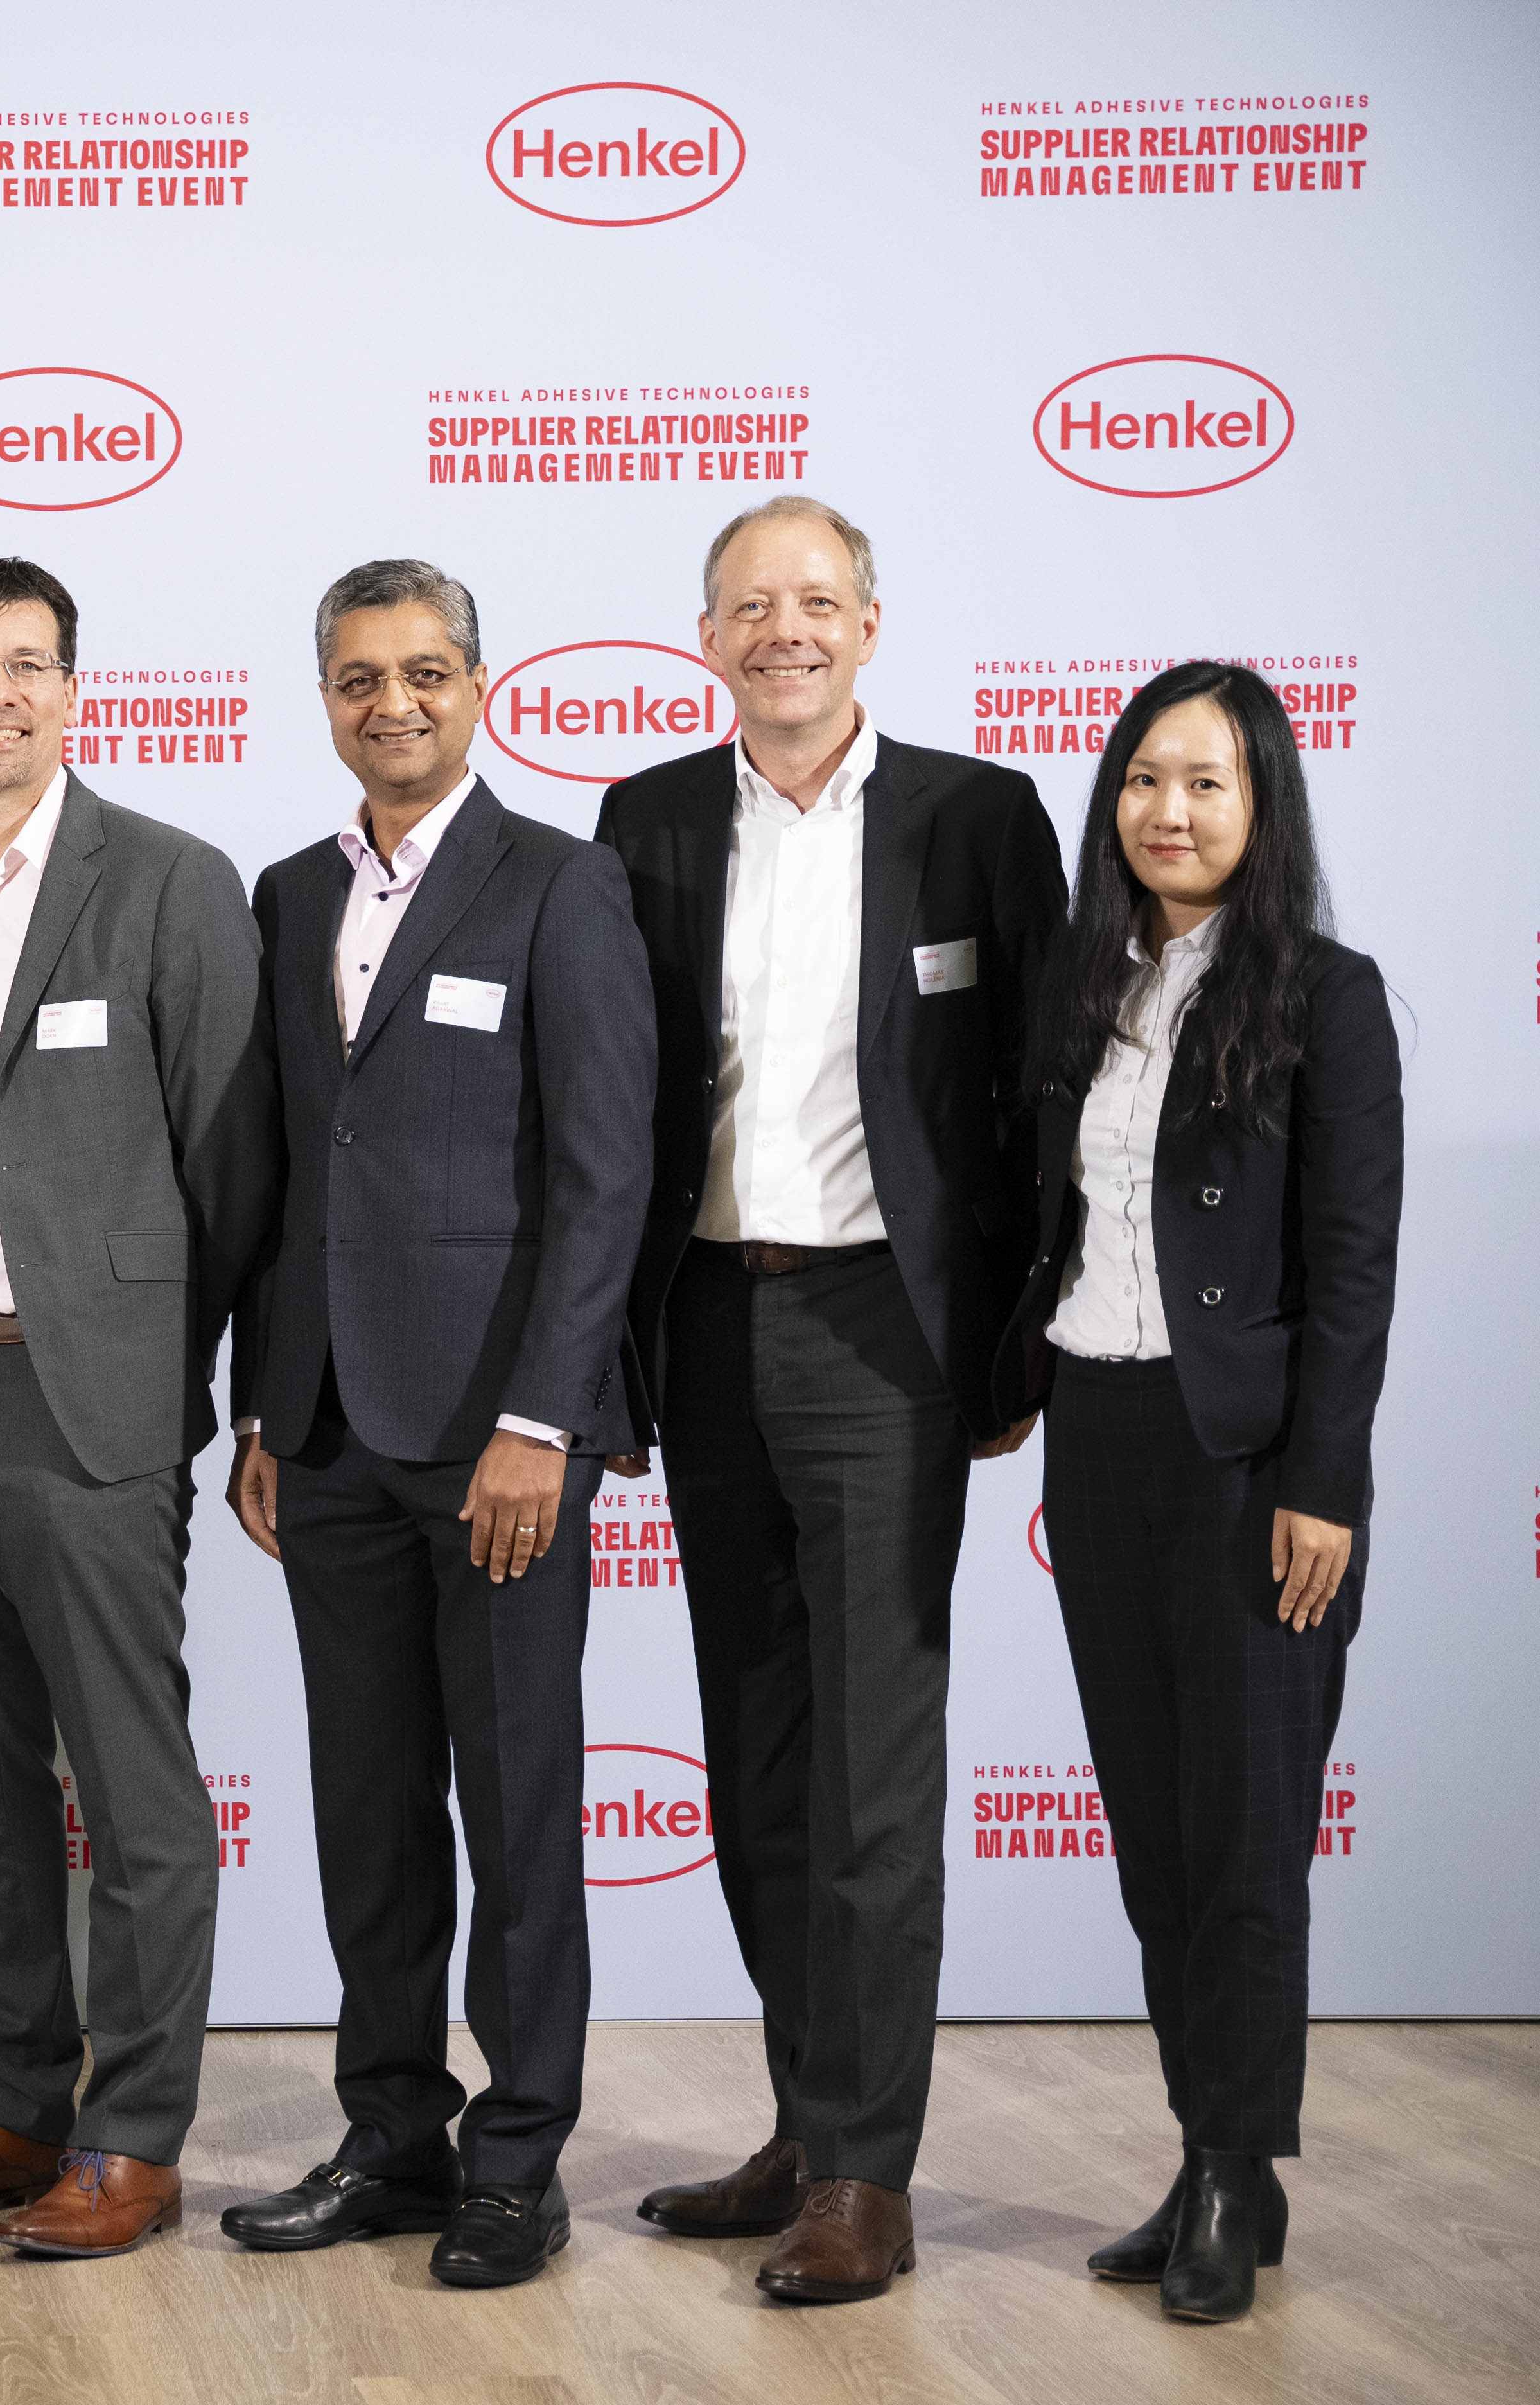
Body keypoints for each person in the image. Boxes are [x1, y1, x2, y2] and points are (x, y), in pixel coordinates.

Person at [595, 498, 1065, 2302]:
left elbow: (1039, 1090)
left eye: (815, 601)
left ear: (870, 624)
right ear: (706, 638)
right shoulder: (644, 820)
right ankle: (808, 2120)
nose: (783, 630)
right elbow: (618, 1098)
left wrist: (1011, 1343)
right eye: (749, 606)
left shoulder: (978, 817)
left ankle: (870, 2172)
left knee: (874, 1764)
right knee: (759, 1755)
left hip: (887, 1334)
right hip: (710, 1319)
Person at [0, 556, 279, 2259]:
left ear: (74, 692)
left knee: (135, 1798)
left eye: (27, 663)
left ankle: (136, 2137)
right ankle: (18, 2111)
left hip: (86, 1407)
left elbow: (238, 1175)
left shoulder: (168, 881)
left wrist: (201, 1388)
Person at [220, 562, 654, 2287]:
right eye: (357, 678)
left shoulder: (562, 882)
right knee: (371, 1809)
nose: (389, 703)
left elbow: (606, 1176)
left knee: (520, 1809)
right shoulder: (284, 894)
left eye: (421, 673)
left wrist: (545, 1418)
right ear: (324, 698)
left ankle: (517, 2160)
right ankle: (393, 2135)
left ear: (479, 686)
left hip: (499, 1443)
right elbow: (282, 1172)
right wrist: (264, 1404)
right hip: (328, 1428)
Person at [992, 662, 1397, 2323]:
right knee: (1157, 1838)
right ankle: (1208, 2150)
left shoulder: (1327, 995)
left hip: (1250, 1470)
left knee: (1242, 1842)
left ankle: (1237, 2167)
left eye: (1207, 783)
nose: (1169, 811)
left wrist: (1324, 1481)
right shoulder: (1081, 982)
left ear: (1262, 806)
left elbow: (1354, 1269)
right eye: (1145, 779)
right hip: (1098, 1436)